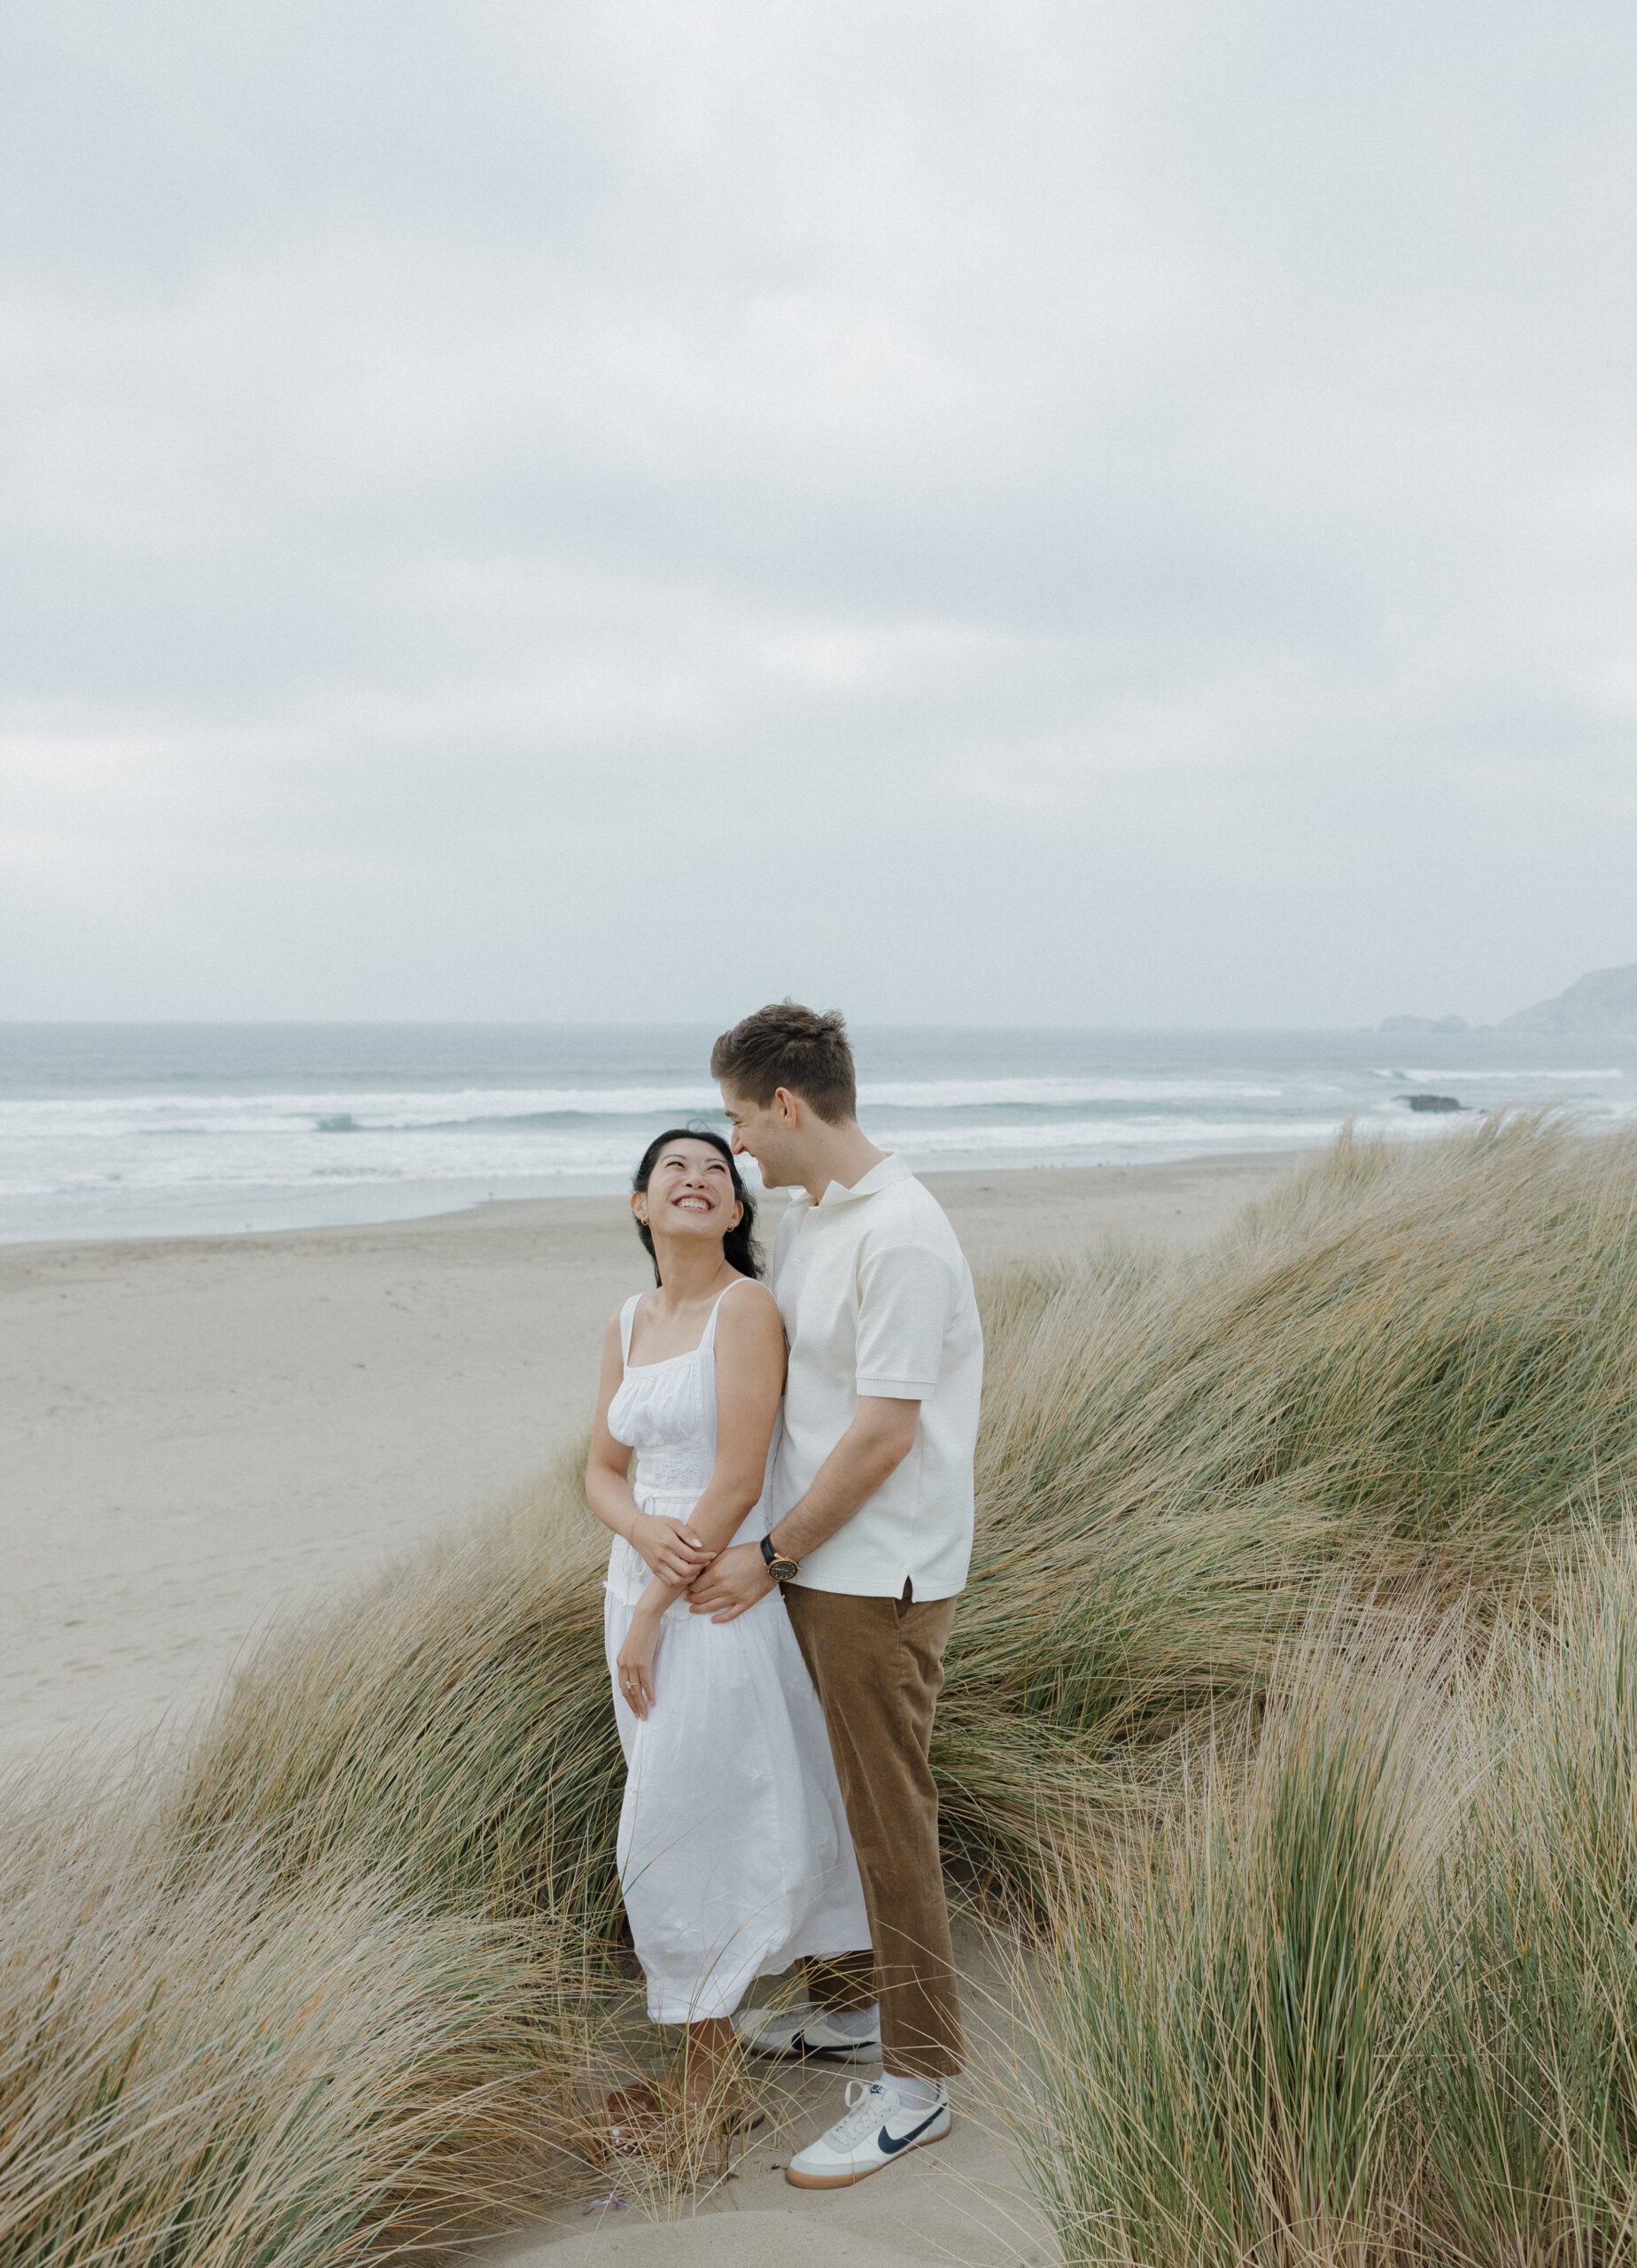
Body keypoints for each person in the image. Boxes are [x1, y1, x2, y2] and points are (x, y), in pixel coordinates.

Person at [688, 1003, 984, 2190]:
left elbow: (880, 1438)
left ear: (789, 1108)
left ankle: (917, 2085)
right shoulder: (817, 1216)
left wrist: (772, 1553)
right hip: (821, 1564)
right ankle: (857, 2004)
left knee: (886, 1812)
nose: (737, 1144)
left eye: (739, 1120)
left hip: (876, 1572)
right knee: (834, 1792)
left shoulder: (900, 1235)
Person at [585, 1124, 870, 2142]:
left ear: (739, 1213)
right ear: (641, 1204)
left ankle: (705, 2095)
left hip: (710, 1601)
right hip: (642, 1586)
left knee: (679, 1826)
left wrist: (661, 1600)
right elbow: (600, 1471)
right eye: (676, 1169)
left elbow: (740, 1478)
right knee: (692, 1810)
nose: (699, 1179)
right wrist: (640, 1547)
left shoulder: (746, 1311)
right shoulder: (628, 1318)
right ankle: (721, 2047)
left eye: (719, 1171)